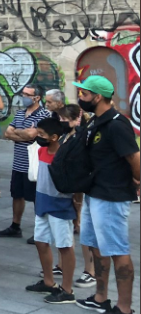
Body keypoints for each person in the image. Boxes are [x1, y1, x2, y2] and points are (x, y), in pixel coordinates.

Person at [73, 76, 139, 314]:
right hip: (94, 192)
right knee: (96, 247)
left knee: (117, 250)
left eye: (84, 94)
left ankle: (124, 308)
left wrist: (138, 180)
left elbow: (135, 157)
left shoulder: (117, 124)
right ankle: (101, 298)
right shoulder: (96, 121)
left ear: (98, 97)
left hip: (111, 196)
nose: (81, 97)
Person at [24, 117, 77, 304]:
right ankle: (49, 282)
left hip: (60, 205)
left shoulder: (64, 156)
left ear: (54, 137)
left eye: (41, 135)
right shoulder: (40, 151)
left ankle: (67, 289)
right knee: (40, 242)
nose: (38, 137)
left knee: (64, 246)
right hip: (42, 202)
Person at [0, 84, 50, 241]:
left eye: (27, 94)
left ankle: (40, 230)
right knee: (16, 195)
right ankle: (15, 226)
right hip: (18, 163)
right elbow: (7, 133)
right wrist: (24, 134)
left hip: (33, 164)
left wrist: (20, 134)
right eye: (23, 94)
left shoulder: (44, 115)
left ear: (37, 98)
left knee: (35, 197)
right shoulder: (20, 114)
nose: (23, 97)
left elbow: (32, 135)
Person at [56, 104, 97, 288]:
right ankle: (60, 264)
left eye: (64, 119)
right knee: (64, 231)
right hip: (66, 188)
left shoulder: (81, 137)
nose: (61, 122)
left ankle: (91, 270)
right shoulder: (65, 136)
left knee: (85, 231)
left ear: (75, 119)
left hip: (79, 188)